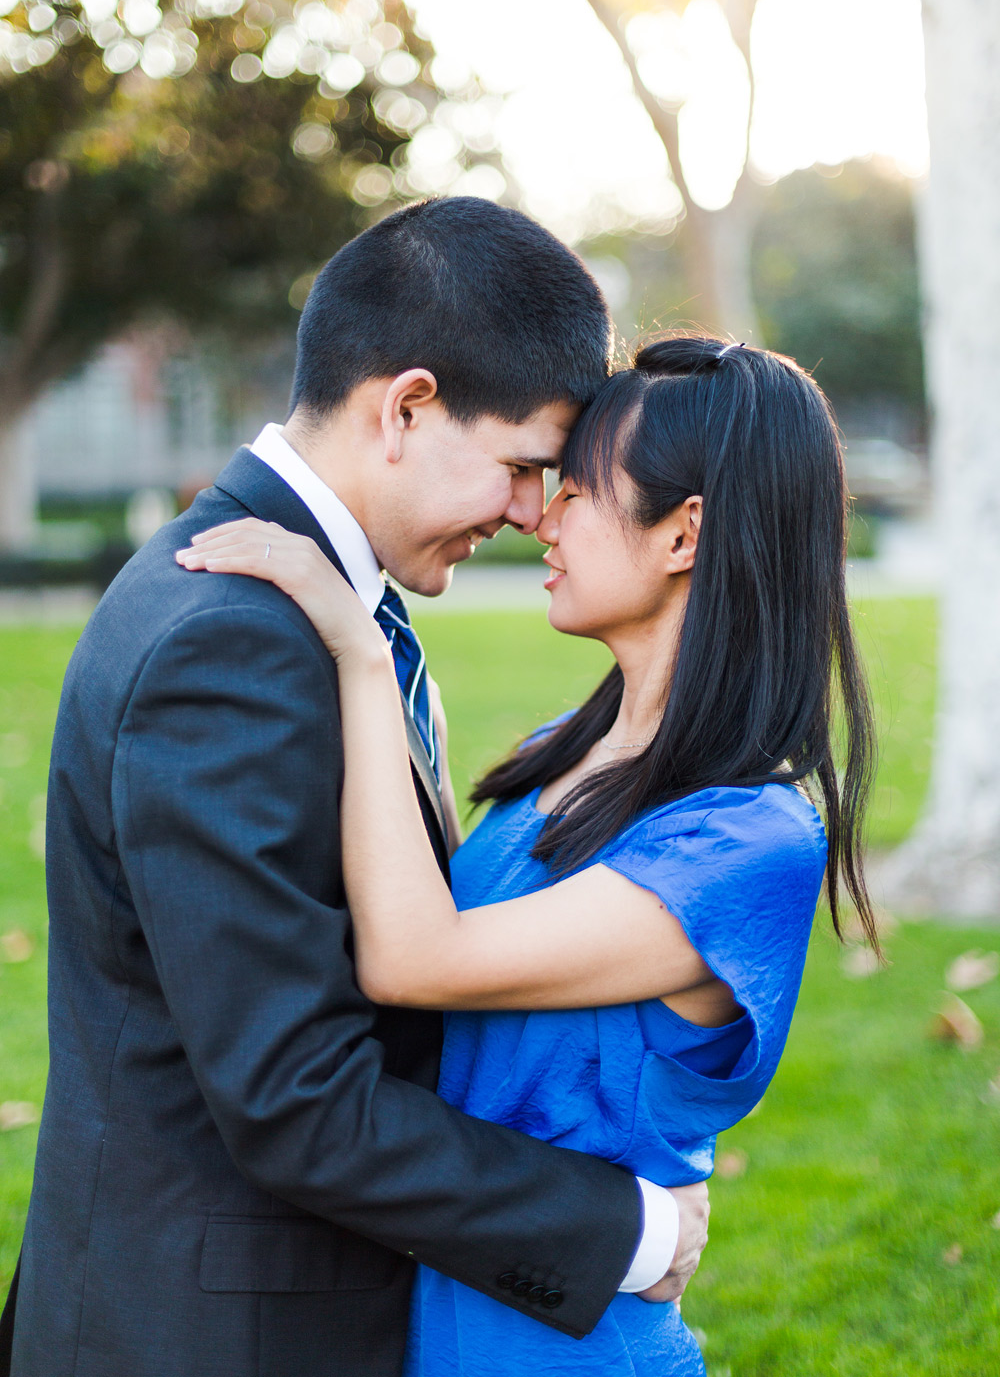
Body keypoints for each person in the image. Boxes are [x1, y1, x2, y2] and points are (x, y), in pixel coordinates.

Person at [0, 200, 707, 1377]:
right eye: (525, 466)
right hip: (219, 1331)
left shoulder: (316, 611)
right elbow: (295, 1097)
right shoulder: (229, 641)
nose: (533, 512)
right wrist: (625, 1231)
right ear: (408, 407)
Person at [179, 335, 880, 1376]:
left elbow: (417, 958)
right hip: (426, 1309)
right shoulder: (575, 745)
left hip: (559, 1344)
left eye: (579, 491)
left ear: (684, 533)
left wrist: (361, 651)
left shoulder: (745, 840)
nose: (539, 517)